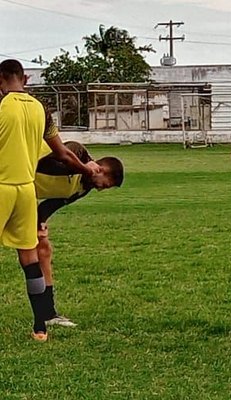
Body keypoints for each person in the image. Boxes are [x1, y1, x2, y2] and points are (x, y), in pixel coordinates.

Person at [0, 59, 100, 341]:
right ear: (25, 79)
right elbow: (64, 153)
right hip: (26, 192)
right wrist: (85, 168)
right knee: (29, 258)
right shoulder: (41, 110)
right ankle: (40, 326)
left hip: (1, 186)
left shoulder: (1, 106)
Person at [34, 141, 124, 327]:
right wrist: (82, 168)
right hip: (9, 182)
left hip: (22, 196)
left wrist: (40, 223)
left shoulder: (84, 189)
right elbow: (45, 164)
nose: (100, 189)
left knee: (44, 249)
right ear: (100, 169)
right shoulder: (77, 151)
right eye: (105, 185)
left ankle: (48, 313)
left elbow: (51, 204)